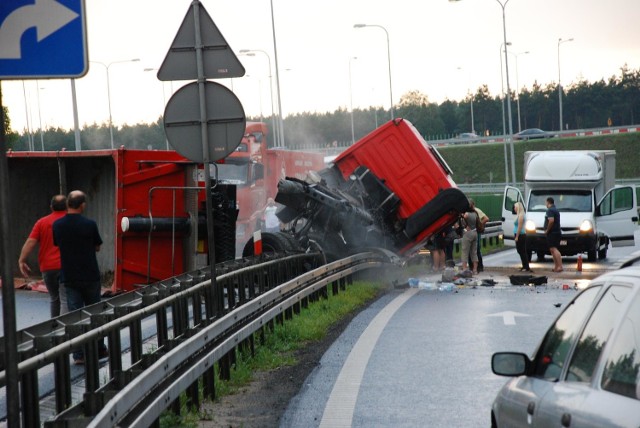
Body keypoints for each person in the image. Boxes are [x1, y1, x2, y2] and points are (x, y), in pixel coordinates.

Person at [53, 190, 107, 364]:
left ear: (68, 204)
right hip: (90, 274)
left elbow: (57, 243)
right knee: (95, 313)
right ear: (82, 205)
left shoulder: (58, 225)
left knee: (75, 316)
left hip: (69, 275)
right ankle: (98, 349)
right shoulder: (90, 224)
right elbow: (97, 247)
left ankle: (78, 354)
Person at [18, 194, 68, 317]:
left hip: (48, 267)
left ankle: (54, 326)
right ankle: (65, 329)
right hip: (66, 265)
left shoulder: (42, 222)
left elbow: (31, 242)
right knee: (65, 299)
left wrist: (22, 260)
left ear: (51, 207)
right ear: (67, 206)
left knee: (54, 298)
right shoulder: (70, 221)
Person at [467, 199, 489, 272]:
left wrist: (478, 225)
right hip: (473, 232)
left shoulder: (476, 211)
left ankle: (476, 267)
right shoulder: (470, 211)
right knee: (474, 250)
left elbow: (486, 218)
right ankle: (476, 267)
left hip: (475, 232)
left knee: (475, 249)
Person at [544, 196, 563, 272]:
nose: (545, 204)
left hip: (553, 232)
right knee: (552, 249)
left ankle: (560, 266)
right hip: (556, 232)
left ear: (548, 202)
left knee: (554, 249)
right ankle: (556, 266)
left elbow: (551, 221)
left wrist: (547, 230)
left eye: (545, 202)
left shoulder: (550, 210)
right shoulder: (555, 209)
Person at [513, 201, 532, 272]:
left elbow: (520, 226)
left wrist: (517, 236)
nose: (514, 208)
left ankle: (526, 266)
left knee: (522, 251)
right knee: (520, 251)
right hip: (520, 234)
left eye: (515, 207)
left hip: (520, 234)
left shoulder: (521, 215)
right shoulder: (520, 214)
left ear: (518, 207)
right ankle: (524, 265)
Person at [460, 207, 479, 274]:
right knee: (474, 252)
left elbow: (463, 217)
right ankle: (475, 270)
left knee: (465, 251)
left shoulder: (466, 214)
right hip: (475, 232)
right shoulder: (475, 214)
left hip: (468, 233)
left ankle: (464, 269)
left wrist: (461, 215)